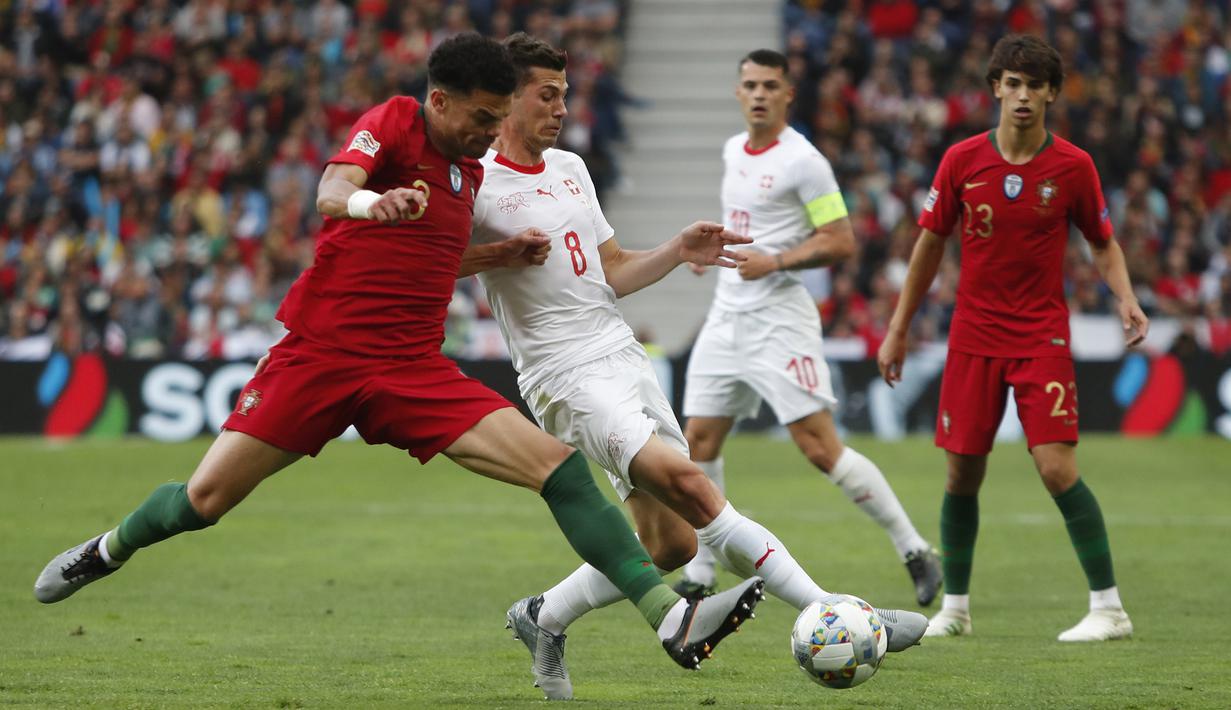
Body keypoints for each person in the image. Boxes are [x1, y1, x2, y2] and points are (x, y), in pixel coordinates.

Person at [32, 34, 765, 673]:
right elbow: (331, 190)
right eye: (479, 117)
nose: (488, 132)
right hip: (320, 356)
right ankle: (110, 548)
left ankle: (669, 615)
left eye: (495, 118)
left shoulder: (471, 173)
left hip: (412, 369)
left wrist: (499, 252)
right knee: (204, 501)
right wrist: (369, 205)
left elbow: (431, 261)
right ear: (440, 102)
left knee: (561, 469)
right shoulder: (393, 123)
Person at [464, 34, 927, 701]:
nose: (561, 107)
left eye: (564, 94)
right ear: (507, 99)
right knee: (691, 482)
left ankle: (543, 617)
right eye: (546, 94)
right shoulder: (477, 183)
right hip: (563, 377)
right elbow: (428, 263)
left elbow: (613, 271)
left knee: (672, 544)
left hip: (619, 353)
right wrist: (499, 255)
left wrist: (679, 249)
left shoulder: (569, 167)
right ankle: (834, 609)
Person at [877, 34, 1147, 642]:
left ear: (1052, 93)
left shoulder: (1073, 167)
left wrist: (1126, 297)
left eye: (1036, 86)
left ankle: (1109, 608)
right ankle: (958, 609)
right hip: (972, 336)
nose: (1024, 96)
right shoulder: (962, 161)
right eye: (1014, 84)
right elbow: (928, 246)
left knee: (1055, 468)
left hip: (1041, 335)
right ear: (997, 87)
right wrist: (898, 328)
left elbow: (1102, 243)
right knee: (961, 475)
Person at [678, 49, 943, 606]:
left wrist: (774, 262)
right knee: (699, 439)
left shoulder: (805, 161)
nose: (758, 94)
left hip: (780, 319)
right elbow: (747, 220)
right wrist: (713, 250)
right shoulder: (733, 150)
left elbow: (842, 239)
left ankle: (914, 547)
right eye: (749, 84)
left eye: (770, 85)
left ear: (787, 94)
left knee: (820, 448)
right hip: (728, 314)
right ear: (737, 91)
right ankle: (702, 570)